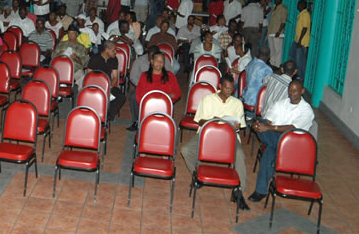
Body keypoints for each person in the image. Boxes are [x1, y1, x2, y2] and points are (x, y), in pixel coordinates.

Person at [180, 74, 250, 210]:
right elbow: (199, 120)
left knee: (240, 156)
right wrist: (214, 119)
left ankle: (238, 192)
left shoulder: (237, 104)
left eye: (231, 89)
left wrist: (235, 126)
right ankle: (198, 173)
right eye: (226, 88)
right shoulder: (208, 99)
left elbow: (240, 125)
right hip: (207, 135)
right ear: (220, 86)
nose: (229, 91)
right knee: (186, 150)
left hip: (229, 137)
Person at [248, 80, 315, 202]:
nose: (291, 93)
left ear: (302, 91)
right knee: (261, 124)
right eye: (290, 90)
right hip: (275, 137)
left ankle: (260, 192)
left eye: (295, 90)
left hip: (293, 144)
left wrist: (269, 128)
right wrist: (260, 125)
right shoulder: (281, 104)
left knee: (270, 148)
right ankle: (260, 191)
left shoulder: (306, 111)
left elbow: (292, 128)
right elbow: (268, 120)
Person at [129, 50, 181, 131]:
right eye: (157, 61)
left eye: (162, 62)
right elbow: (139, 96)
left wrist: (167, 97)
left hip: (164, 108)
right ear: (152, 61)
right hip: (148, 108)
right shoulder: (144, 76)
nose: (159, 63)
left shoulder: (170, 76)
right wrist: (151, 102)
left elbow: (177, 93)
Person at [86, 41, 126, 122]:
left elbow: (115, 77)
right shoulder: (94, 59)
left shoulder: (114, 59)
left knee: (121, 97)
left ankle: (107, 116)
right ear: (107, 50)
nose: (115, 52)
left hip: (108, 86)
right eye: (114, 50)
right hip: (95, 86)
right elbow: (89, 76)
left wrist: (109, 88)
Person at [289, 0, 310, 80]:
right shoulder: (302, 14)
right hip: (297, 40)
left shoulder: (305, 14)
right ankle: (295, 74)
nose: (297, 6)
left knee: (300, 61)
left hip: (302, 42)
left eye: (298, 4)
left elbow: (305, 28)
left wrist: (300, 40)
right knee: (292, 56)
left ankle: (301, 77)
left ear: (302, 5)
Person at [268, 0, 288, 64]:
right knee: (271, 49)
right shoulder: (273, 7)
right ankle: (272, 63)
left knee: (278, 50)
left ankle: (277, 65)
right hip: (271, 31)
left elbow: (283, 21)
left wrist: (279, 31)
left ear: (281, 0)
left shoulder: (283, 9)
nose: (276, 0)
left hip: (277, 32)